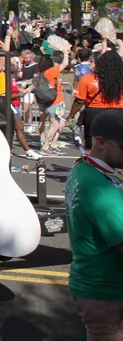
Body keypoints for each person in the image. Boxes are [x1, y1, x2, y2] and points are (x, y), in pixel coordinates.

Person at [65, 110, 123, 340]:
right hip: (106, 291)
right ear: (101, 142)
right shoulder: (102, 192)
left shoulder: (83, 168)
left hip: (92, 283)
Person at [0, 39, 41, 161]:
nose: (10, 64)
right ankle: (4, 159)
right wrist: (8, 37)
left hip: (0, 101)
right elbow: (5, 54)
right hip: (1, 102)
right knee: (6, 133)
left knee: (8, 131)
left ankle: (8, 156)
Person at [69, 51, 123, 150]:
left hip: (94, 114)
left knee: (92, 144)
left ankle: (92, 159)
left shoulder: (88, 79)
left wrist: (71, 116)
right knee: (118, 144)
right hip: (118, 113)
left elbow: (79, 101)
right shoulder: (120, 81)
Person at [39, 50, 71, 157]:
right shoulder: (50, 72)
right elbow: (65, 64)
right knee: (54, 126)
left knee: (60, 125)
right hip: (54, 103)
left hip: (57, 103)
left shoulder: (43, 73)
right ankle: (45, 147)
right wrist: (65, 53)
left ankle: (53, 145)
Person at [19, 48, 40, 133]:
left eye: (26, 58)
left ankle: (30, 124)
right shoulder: (24, 65)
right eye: (24, 58)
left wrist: (26, 83)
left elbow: (35, 78)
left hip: (30, 89)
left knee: (27, 107)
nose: (25, 59)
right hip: (23, 89)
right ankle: (27, 123)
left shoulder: (35, 66)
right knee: (24, 108)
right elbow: (21, 76)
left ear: (32, 58)